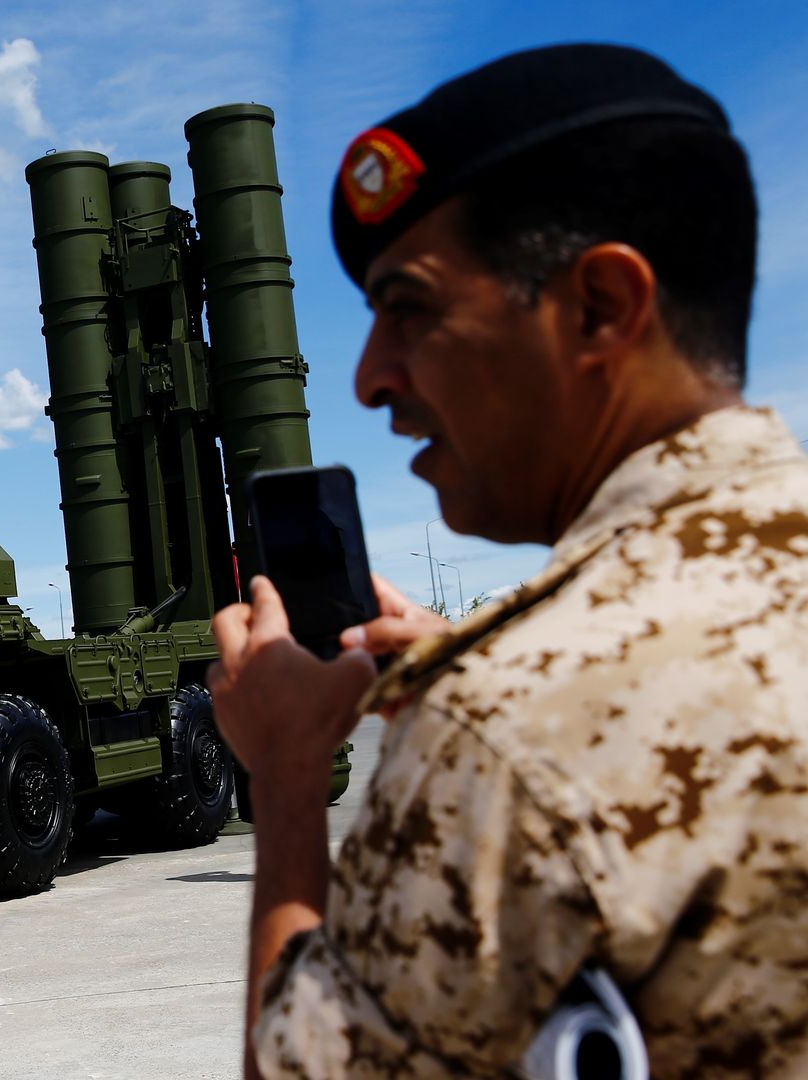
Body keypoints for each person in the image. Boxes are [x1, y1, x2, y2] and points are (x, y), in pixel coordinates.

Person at [207, 43, 808, 1077]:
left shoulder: (503, 730)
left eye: (413, 308)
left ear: (602, 307)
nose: (367, 378)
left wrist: (293, 774)